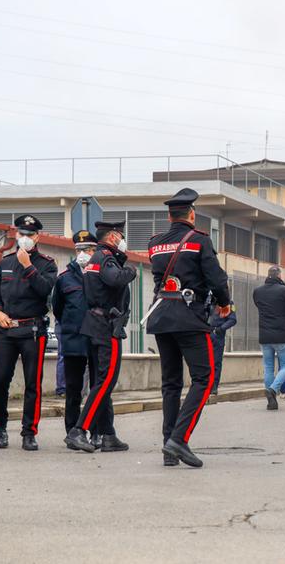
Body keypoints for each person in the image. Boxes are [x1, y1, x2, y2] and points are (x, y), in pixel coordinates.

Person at [146, 189, 232, 468]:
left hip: (161, 317)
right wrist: (225, 303)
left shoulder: (155, 243)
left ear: (170, 216)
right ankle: (179, 439)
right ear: (191, 214)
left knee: (170, 383)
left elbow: (160, 278)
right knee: (203, 379)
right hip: (189, 317)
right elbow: (216, 278)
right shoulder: (199, 240)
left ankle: (168, 446)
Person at [65, 221, 138, 453]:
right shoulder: (106, 257)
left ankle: (108, 434)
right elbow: (116, 279)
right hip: (106, 326)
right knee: (106, 381)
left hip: (94, 324)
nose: (123, 240)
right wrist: (131, 270)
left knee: (100, 382)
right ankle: (79, 430)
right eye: (121, 236)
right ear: (114, 237)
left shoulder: (94, 259)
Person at [0, 215, 58, 451]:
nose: (25, 238)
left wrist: (28, 266)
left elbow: (46, 290)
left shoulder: (47, 264)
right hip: (5, 331)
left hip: (32, 331)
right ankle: (0, 429)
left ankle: (29, 431)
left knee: (32, 385)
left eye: (29, 235)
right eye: (21, 234)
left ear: (37, 237)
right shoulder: (5, 262)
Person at [52, 231, 99, 440]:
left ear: (94, 251)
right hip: (74, 340)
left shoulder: (100, 273)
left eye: (87, 249)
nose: (83, 254)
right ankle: (72, 430)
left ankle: (98, 431)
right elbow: (58, 309)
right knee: (73, 389)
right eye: (79, 249)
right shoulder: (64, 279)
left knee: (98, 388)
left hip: (97, 339)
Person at [252, 266, 285, 410]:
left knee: (268, 367)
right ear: (279, 276)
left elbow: (259, 305)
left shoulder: (257, 291)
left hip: (265, 336)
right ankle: (273, 389)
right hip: (282, 335)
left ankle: (271, 400)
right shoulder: (284, 291)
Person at [208, 303, 237, 396]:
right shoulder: (206, 298)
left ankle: (213, 386)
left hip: (217, 335)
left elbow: (232, 319)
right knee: (203, 361)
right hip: (204, 333)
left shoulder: (226, 302)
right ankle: (202, 386)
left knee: (216, 361)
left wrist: (221, 329)